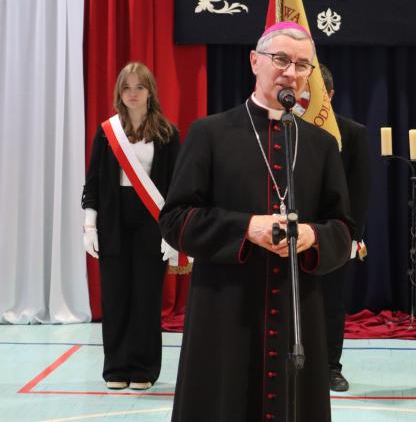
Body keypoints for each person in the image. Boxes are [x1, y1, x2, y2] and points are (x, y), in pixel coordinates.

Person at [159, 21, 353, 422]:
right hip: (224, 315)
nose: (291, 72)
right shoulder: (209, 134)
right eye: (281, 59)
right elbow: (176, 221)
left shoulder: (321, 145)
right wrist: (247, 228)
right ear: (254, 61)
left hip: (297, 314)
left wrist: (312, 236)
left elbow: (343, 229)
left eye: (302, 65)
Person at [81, 62, 181, 390]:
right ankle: (116, 368)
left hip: (152, 223)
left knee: (146, 297)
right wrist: (90, 225)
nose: (133, 93)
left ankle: (143, 368)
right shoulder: (107, 133)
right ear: (119, 93)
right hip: (113, 222)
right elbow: (93, 181)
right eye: (126, 87)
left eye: (139, 87)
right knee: (115, 296)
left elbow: (176, 187)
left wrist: (172, 233)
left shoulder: (167, 134)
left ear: (150, 91)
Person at [317, 64, 371, 393]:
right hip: (291, 232)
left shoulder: (352, 133)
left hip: (335, 234)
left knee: (332, 303)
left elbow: (360, 191)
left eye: (317, 92)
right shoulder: (284, 131)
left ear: (330, 95)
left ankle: (330, 367)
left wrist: (352, 235)